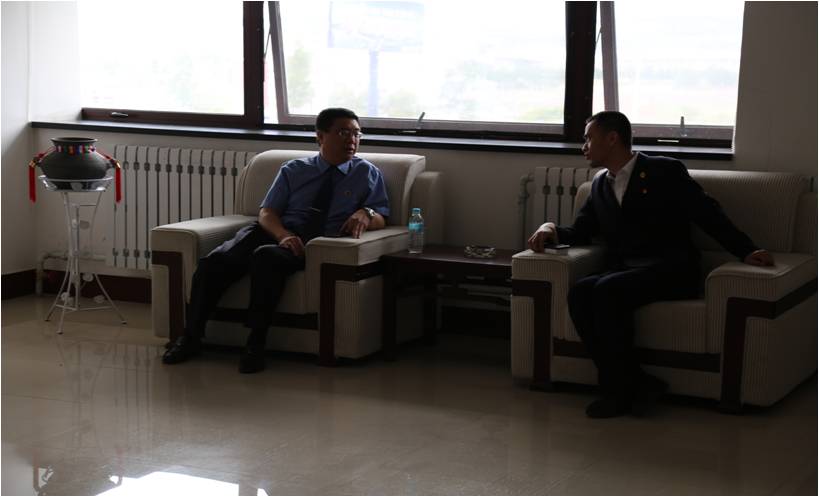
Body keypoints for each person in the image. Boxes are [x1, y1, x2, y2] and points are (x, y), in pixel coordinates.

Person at [527, 111, 774, 418]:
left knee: (607, 290)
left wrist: (746, 250)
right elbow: (581, 231)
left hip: (672, 268)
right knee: (580, 292)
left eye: (589, 138)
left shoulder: (663, 170)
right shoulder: (600, 184)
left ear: (612, 138)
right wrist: (550, 227)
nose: (584, 146)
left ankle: (617, 392)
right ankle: (635, 381)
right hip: (629, 269)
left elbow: (707, 212)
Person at [162, 108, 390, 373]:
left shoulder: (366, 173)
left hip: (314, 242)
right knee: (215, 262)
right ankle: (191, 337)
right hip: (276, 230)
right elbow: (267, 213)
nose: (352, 140)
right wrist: (283, 235)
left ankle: (255, 343)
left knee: (266, 258)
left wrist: (366, 213)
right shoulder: (294, 169)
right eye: (343, 133)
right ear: (320, 137)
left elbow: (382, 217)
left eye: (356, 134)